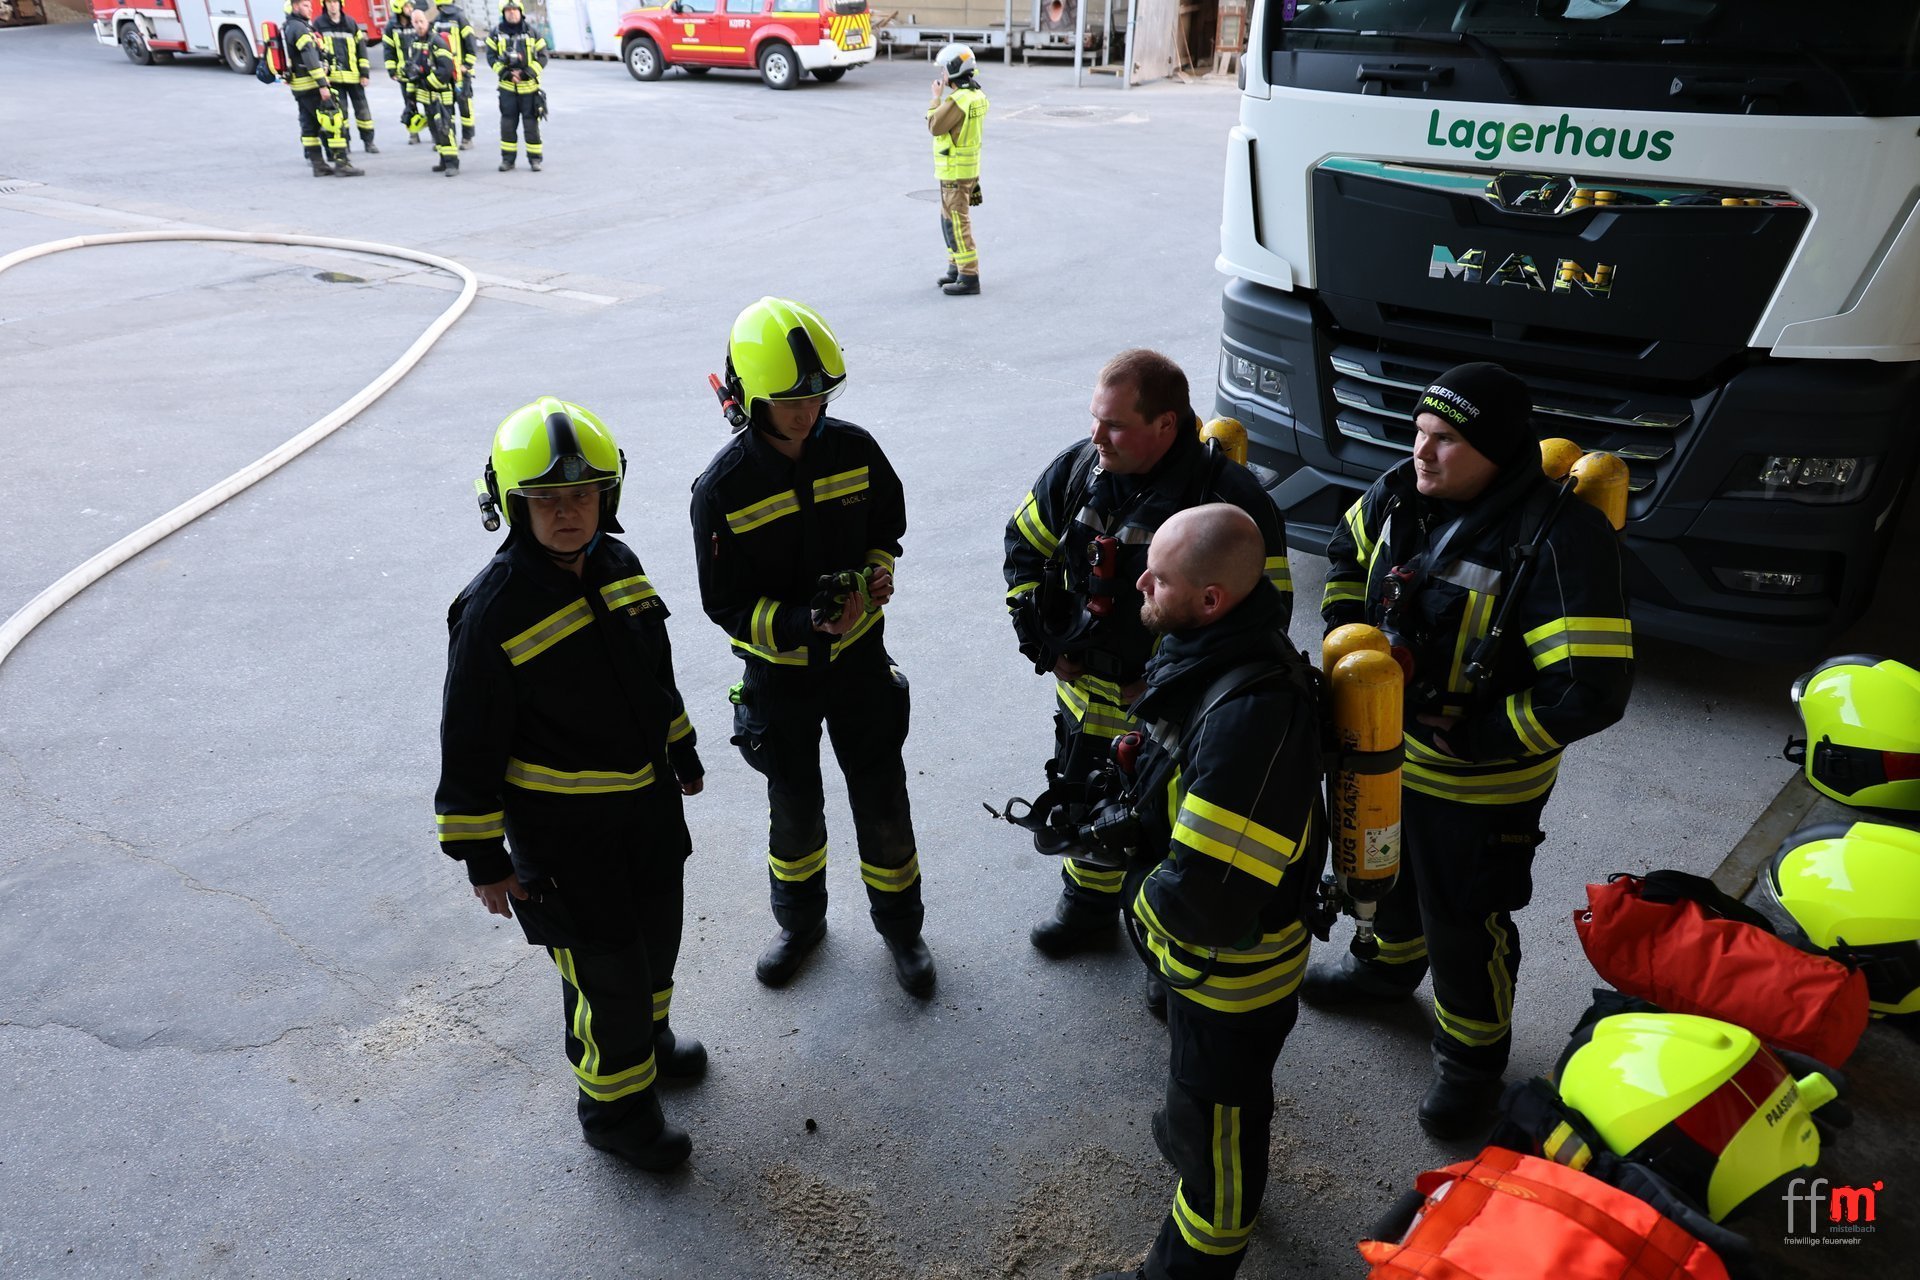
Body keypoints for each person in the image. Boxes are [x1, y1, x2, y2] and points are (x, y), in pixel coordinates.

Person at [1306, 361, 1634, 1138]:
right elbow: (1346, 557)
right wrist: (1352, 638)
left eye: (1446, 440)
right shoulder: (1398, 493)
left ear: (1497, 450)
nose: (1422, 452)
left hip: (1479, 786)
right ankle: (1386, 968)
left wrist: (1479, 738)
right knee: (1379, 871)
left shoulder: (1559, 541)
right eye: (1419, 432)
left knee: (1463, 919)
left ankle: (1471, 1063)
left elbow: (1590, 689)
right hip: (1381, 749)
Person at [436, 397, 707, 1173]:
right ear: (511, 506)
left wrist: (682, 749)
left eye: (582, 494)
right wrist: (483, 856)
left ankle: (646, 1045)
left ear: (606, 496)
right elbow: (468, 740)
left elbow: (655, 678)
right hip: (565, 839)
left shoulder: (621, 567)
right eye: (546, 498)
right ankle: (615, 1112)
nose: (567, 512)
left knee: (654, 942)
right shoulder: (490, 612)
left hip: (647, 810)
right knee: (604, 975)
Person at [1091, 504, 1325, 1280]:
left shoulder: (1250, 717)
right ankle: (1196, 1127)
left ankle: (1192, 1260)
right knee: (1204, 1093)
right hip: (1205, 967)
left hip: (1230, 976)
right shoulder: (1209, 647)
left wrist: (1136, 898)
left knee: (1218, 1135)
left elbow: (1207, 901)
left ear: (1211, 598)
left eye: (1158, 578)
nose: (1139, 583)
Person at [1003, 350, 1292, 966]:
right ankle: (1087, 906)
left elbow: (1263, 619)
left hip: (1168, 717)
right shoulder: (1077, 472)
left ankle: (1166, 950)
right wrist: (1043, 644)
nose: (1096, 436)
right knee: (1084, 797)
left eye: (1115, 425)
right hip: (1082, 696)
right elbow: (1024, 547)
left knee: (1162, 823)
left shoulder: (1228, 503)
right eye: (1094, 418)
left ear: (1165, 424)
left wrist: (1167, 686)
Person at [688, 298, 936, 997]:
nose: (808, 412)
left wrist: (879, 571)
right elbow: (725, 605)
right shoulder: (721, 490)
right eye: (791, 400)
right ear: (748, 399)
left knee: (883, 800)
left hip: (860, 665)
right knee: (794, 809)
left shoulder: (855, 450)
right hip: (780, 681)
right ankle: (800, 926)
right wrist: (804, 624)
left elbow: (886, 526)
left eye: (819, 395)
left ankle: (903, 930)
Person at [925, 42, 987, 296]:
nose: (942, 74)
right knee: (949, 221)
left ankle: (968, 277)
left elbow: (934, 125)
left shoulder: (958, 100)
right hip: (966, 170)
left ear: (952, 70)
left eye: (943, 69)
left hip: (954, 173)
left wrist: (935, 98)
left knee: (957, 224)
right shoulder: (976, 96)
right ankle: (955, 269)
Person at [280, 0, 362, 177]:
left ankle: (318, 165)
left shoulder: (290, 26)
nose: (310, 9)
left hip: (300, 87)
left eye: (310, 6)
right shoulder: (300, 28)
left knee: (309, 126)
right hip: (312, 86)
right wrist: (323, 84)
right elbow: (309, 57)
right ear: (295, 7)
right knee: (334, 121)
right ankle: (341, 163)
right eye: (305, 5)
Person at [488, 1, 549, 172]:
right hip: (507, 89)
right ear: (503, 13)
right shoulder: (496, 33)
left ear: (520, 11)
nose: (512, 13)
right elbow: (491, 57)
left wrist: (526, 73)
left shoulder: (532, 32)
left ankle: (535, 159)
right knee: (507, 125)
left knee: (531, 126)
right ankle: (508, 160)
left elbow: (543, 56)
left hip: (529, 89)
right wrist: (506, 74)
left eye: (514, 9)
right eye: (508, 10)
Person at [401, 5, 461, 175]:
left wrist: (428, 83)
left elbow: (446, 69)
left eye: (421, 21)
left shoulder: (437, 41)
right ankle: (443, 160)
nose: (419, 25)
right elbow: (412, 71)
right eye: (416, 22)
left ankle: (452, 163)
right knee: (435, 129)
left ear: (426, 21)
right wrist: (410, 97)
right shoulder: (414, 43)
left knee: (445, 127)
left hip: (442, 94)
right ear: (412, 24)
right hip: (426, 96)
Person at [315, 0, 377, 154]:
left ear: (340, 3)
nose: (332, 5)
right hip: (334, 79)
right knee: (341, 114)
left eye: (335, 1)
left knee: (363, 112)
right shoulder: (319, 24)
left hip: (354, 77)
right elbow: (316, 52)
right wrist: (322, 77)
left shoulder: (350, 23)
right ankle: (345, 143)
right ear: (324, 4)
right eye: (329, 2)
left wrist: (364, 73)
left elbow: (361, 49)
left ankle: (369, 142)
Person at [432, 1, 482, 150]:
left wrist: (467, 65)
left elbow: (471, 44)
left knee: (465, 107)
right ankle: (449, 138)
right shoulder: (437, 20)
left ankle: (467, 138)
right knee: (447, 108)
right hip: (446, 73)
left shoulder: (460, 18)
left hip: (461, 74)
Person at [381, 0, 426, 144]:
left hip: (421, 71)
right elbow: (388, 50)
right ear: (398, 8)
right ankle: (414, 133)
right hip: (404, 74)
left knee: (429, 102)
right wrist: (392, 70)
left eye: (410, 5)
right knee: (409, 104)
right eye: (407, 6)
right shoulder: (391, 27)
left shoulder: (416, 22)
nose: (410, 8)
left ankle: (435, 132)